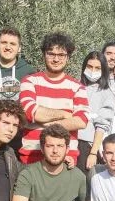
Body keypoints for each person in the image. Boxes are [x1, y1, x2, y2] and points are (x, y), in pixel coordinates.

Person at [18, 32, 89, 165]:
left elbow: (81, 121)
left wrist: (41, 123)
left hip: (65, 160)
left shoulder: (78, 87)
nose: (56, 59)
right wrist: (64, 114)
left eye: (61, 55)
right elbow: (30, 111)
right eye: (51, 54)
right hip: (32, 158)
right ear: (44, 54)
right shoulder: (29, 81)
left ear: (68, 57)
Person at [75, 50, 115, 201]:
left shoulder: (106, 92)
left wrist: (93, 152)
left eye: (97, 68)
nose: (92, 71)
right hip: (70, 144)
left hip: (87, 147)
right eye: (89, 67)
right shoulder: (76, 87)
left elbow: (102, 125)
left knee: (85, 195)